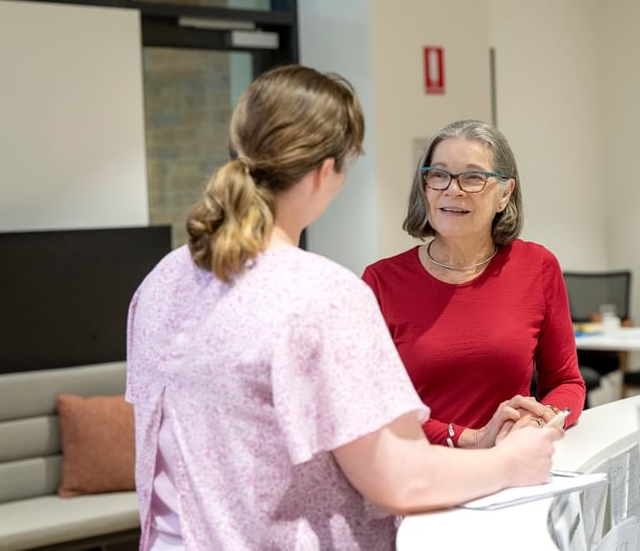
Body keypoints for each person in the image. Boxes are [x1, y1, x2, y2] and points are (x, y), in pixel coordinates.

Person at [126, 66, 562, 550]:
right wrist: (512, 462)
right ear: (326, 170)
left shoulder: (162, 281)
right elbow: (400, 479)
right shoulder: (324, 296)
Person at [362, 119, 586, 449]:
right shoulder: (380, 282)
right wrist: (471, 438)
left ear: (505, 193)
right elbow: (371, 408)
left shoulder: (538, 267)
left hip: (509, 473)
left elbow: (566, 382)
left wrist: (538, 420)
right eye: (438, 175)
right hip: (419, 473)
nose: (453, 189)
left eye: (472, 177)